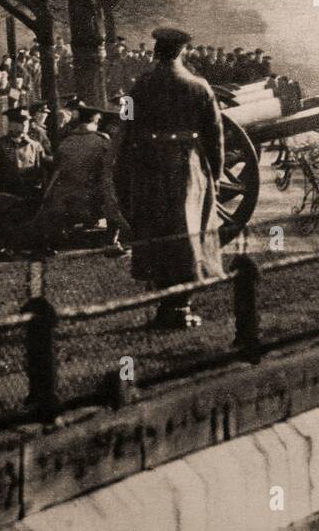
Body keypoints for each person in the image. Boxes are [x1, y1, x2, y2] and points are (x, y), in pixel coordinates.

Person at [115, 27, 225, 330]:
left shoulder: (140, 86)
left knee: (156, 231)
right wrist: (214, 174)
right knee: (189, 232)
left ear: (156, 52)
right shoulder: (199, 86)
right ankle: (182, 305)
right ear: (182, 52)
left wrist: (125, 172)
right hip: (187, 167)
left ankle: (166, 304)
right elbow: (215, 136)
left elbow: (125, 130)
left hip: (149, 166)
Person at [33, 103, 125, 246]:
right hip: (90, 195)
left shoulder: (66, 142)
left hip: (64, 196)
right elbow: (110, 169)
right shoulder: (102, 141)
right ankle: (112, 238)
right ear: (95, 120)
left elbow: (57, 165)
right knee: (114, 192)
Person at [0, 106, 45, 196]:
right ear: (10, 125)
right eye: (19, 122)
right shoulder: (0, 145)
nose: (23, 125)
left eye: (25, 122)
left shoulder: (35, 146)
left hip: (30, 194)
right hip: (8, 195)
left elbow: (40, 172)